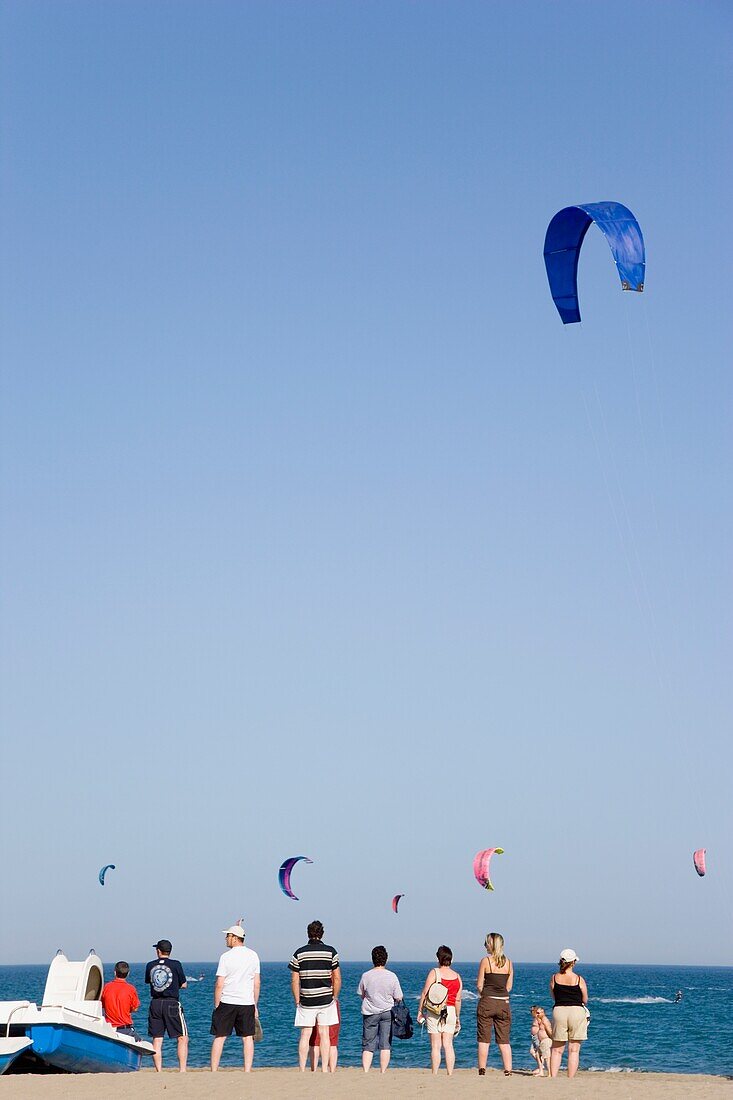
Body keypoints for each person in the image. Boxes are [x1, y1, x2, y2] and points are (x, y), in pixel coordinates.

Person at [289, 920, 341, 1073]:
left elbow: (294, 979)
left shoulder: (299, 953)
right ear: (322, 934)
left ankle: (302, 1068)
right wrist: (335, 996)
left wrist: (297, 999)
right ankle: (324, 1068)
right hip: (326, 999)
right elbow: (337, 977)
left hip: (306, 999)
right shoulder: (331, 952)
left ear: (308, 933)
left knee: (305, 1034)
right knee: (324, 1033)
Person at [210, 923, 261, 1072]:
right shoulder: (253, 955)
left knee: (220, 1037)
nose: (225, 938)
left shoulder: (226, 957)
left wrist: (217, 1004)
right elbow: (256, 983)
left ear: (234, 938)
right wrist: (255, 1004)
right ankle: (247, 1070)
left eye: (228, 936)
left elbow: (220, 983)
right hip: (246, 1001)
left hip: (227, 1001)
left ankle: (214, 1069)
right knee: (247, 1037)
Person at [358, 946, 404, 1074]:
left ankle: (366, 1071)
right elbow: (399, 997)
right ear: (386, 959)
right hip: (387, 1012)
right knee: (385, 1044)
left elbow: (361, 994)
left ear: (373, 959)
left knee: (368, 1044)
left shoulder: (366, 975)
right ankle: (383, 1071)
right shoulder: (392, 976)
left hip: (370, 1012)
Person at [417, 946, 462, 1076]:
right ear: (451, 959)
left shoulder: (435, 972)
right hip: (451, 1011)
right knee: (448, 1045)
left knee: (435, 1046)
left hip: (435, 1011)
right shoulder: (457, 977)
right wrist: (458, 1017)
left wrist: (420, 1010)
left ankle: (435, 1073)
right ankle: (449, 1073)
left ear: (438, 958)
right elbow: (458, 1000)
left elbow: (425, 992)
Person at [145, 938, 188, 1072]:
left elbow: (149, 981)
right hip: (171, 1003)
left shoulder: (150, 965)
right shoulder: (176, 964)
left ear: (158, 951)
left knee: (157, 1039)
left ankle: (159, 1070)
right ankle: (182, 1069)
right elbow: (184, 984)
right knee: (182, 1037)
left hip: (156, 1003)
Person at [476, 931, 513, 1076]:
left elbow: (479, 985)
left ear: (491, 945)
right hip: (503, 1003)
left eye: (486, 943)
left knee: (484, 1038)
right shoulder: (509, 963)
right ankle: (508, 1070)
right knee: (504, 1040)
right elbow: (509, 987)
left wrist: (484, 993)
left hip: (487, 1002)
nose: (485, 945)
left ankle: (482, 1069)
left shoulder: (485, 961)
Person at [548, 948, 588, 1078]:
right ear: (573, 962)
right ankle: (570, 1078)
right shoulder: (579, 979)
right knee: (574, 1050)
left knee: (556, 1049)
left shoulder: (554, 978)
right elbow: (585, 999)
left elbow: (553, 996)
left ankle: (553, 1077)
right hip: (576, 1011)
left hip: (559, 1011)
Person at [101, 961, 141, 1039]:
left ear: (115, 973)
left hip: (109, 1029)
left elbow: (102, 1004)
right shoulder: (131, 989)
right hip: (125, 1029)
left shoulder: (106, 987)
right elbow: (135, 1008)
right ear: (128, 973)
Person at [309, 1000, 340, 1072]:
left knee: (315, 1040)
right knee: (332, 1041)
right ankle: (330, 1070)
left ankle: (314, 1069)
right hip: (329, 1002)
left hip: (312, 1002)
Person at [529, 1005, 552, 1076]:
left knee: (546, 1056)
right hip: (537, 1038)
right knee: (536, 1053)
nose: (531, 1012)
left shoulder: (544, 1020)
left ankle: (549, 1073)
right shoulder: (538, 1019)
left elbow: (548, 1030)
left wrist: (552, 1038)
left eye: (533, 1011)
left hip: (543, 1039)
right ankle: (541, 1070)